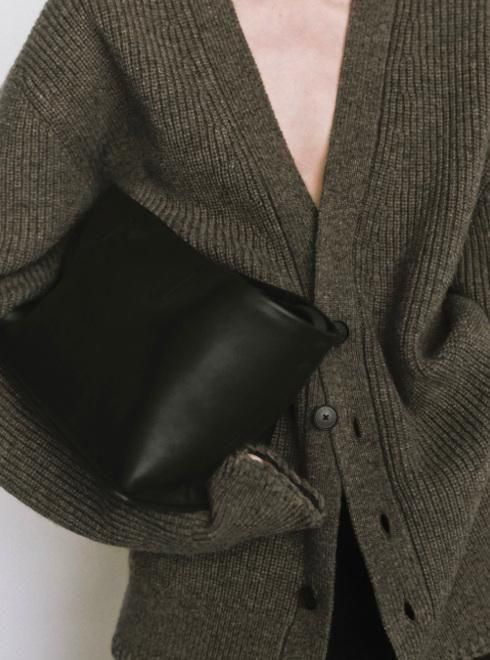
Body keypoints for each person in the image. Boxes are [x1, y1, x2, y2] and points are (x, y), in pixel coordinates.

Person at [0, 0, 489, 658]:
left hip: (462, 576)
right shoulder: (121, 17)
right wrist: (168, 501)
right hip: (218, 610)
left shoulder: (463, 18)